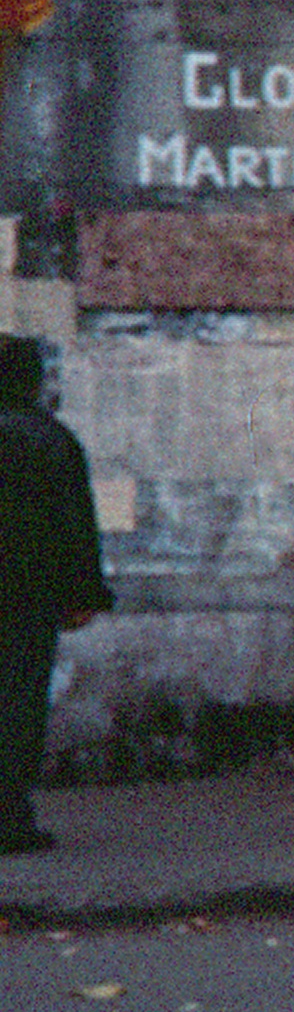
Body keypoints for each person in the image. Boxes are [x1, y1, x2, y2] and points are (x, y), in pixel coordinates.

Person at [0, 339, 109, 856]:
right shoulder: (51, 440)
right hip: (28, 595)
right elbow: (76, 524)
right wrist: (87, 592)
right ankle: (10, 814)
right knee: (20, 705)